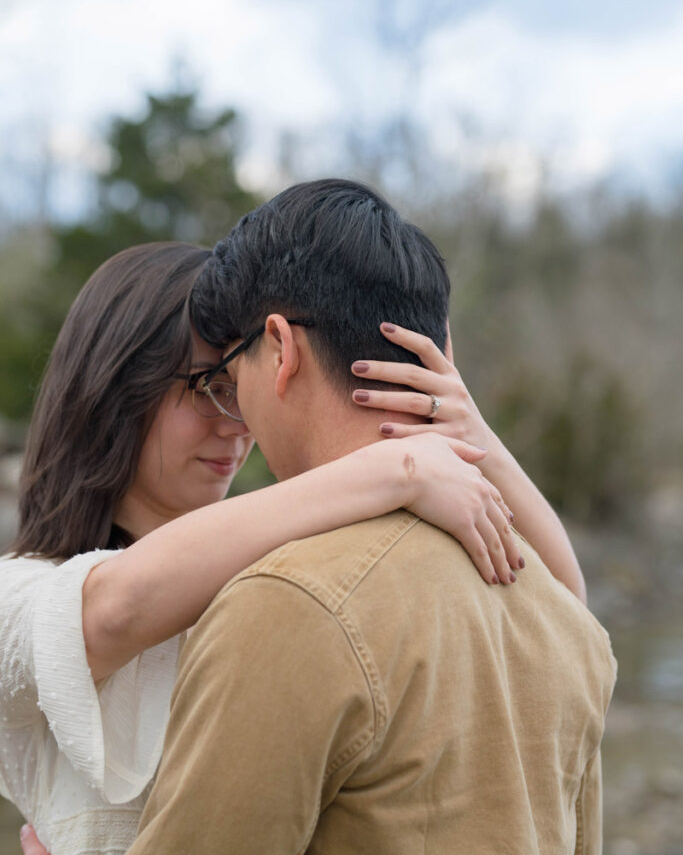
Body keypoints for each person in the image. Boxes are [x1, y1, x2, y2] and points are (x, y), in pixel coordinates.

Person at [124, 180, 617, 855]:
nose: (233, 413)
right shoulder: (564, 622)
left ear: (278, 347)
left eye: (230, 375)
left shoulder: (287, 604)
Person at [3, 239, 524, 855]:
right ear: (117, 387)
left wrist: (469, 428)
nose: (237, 423)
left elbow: (561, 609)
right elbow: (113, 609)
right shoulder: (18, 589)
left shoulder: (282, 561)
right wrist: (398, 469)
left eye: (240, 386)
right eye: (206, 388)